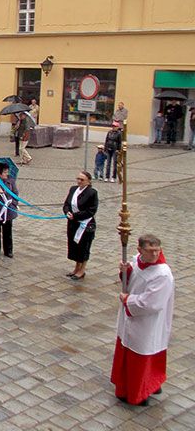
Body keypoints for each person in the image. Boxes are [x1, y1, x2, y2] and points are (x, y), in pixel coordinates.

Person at [111, 234, 174, 406]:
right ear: (140, 250)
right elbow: (132, 278)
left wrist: (127, 300)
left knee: (143, 352)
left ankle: (139, 391)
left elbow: (150, 303)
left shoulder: (162, 274)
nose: (154, 255)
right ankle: (137, 385)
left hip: (148, 322)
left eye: (157, 251)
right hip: (131, 318)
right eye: (150, 251)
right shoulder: (136, 260)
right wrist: (126, 271)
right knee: (129, 347)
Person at [63, 171, 98, 281]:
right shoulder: (73, 189)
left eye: (82, 180)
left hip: (86, 224)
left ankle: (82, 270)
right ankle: (76, 268)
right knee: (75, 246)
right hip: (73, 223)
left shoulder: (92, 193)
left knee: (84, 247)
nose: (79, 181)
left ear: (88, 181)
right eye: (78, 179)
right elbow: (67, 204)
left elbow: (91, 210)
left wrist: (76, 216)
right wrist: (67, 212)